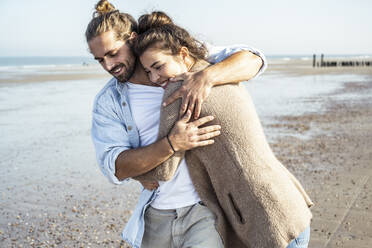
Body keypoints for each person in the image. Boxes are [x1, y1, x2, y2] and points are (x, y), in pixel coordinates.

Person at [86, 1, 266, 248]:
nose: (108, 66)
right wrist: (172, 145)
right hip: (156, 214)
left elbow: (253, 59)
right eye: (100, 60)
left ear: (132, 39)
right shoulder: (109, 102)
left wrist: (206, 76)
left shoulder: (178, 61)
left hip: (205, 207)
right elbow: (114, 166)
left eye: (113, 53)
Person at [132, 12, 313, 248]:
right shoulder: (218, 70)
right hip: (289, 204)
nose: (155, 78)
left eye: (158, 67)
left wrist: (129, 168)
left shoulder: (178, 92)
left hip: (265, 222)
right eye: (148, 72)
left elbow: (162, 171)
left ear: (183, 54)